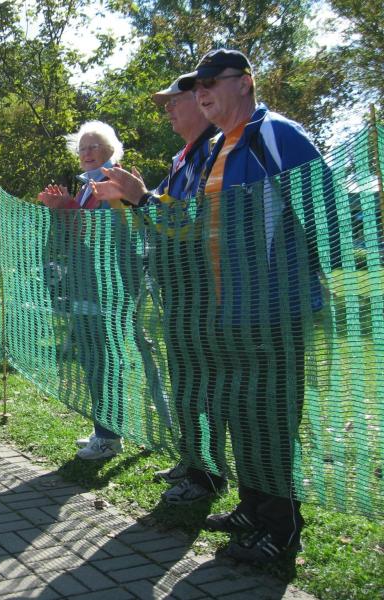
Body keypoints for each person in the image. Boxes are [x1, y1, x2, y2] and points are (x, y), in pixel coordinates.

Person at [174, 48, 331, 563]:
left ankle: (282, 533)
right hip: (231, 313)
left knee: (272, 423)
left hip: (275, 313)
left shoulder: (276, 133)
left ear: (245, 82)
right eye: (197, 86)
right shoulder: (219, 146)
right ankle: (252, 509)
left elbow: (323, 210)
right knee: (244, 416)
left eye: (211, 81)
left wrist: (301, 283)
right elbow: (195, 225)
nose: (201, 92)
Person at [91, 77, 226, 504]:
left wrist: (141, 197)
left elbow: (192, 220)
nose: (167, 109)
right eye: (165, 102)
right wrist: (134, 201)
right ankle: (193, 459)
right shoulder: (182, 156)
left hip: (202, 288)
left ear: (200, 102)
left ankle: (208, 475)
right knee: (185, 380)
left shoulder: (214, 150)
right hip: (178, 291)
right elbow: (159, 220)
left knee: (203, 383)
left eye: (174, 101)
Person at [38, 120, 126, 460]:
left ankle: (108, 437)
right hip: (86, 285)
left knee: (101, 361)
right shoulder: (88, 186)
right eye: (82, 148)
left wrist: (67, 209)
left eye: (94, 147)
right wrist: (61, 209)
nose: (87, 153)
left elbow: (102, 234)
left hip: (104, 289)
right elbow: (75, 236)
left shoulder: (112, 183)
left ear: (110, 151)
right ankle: (105, 429)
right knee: (92, 359)